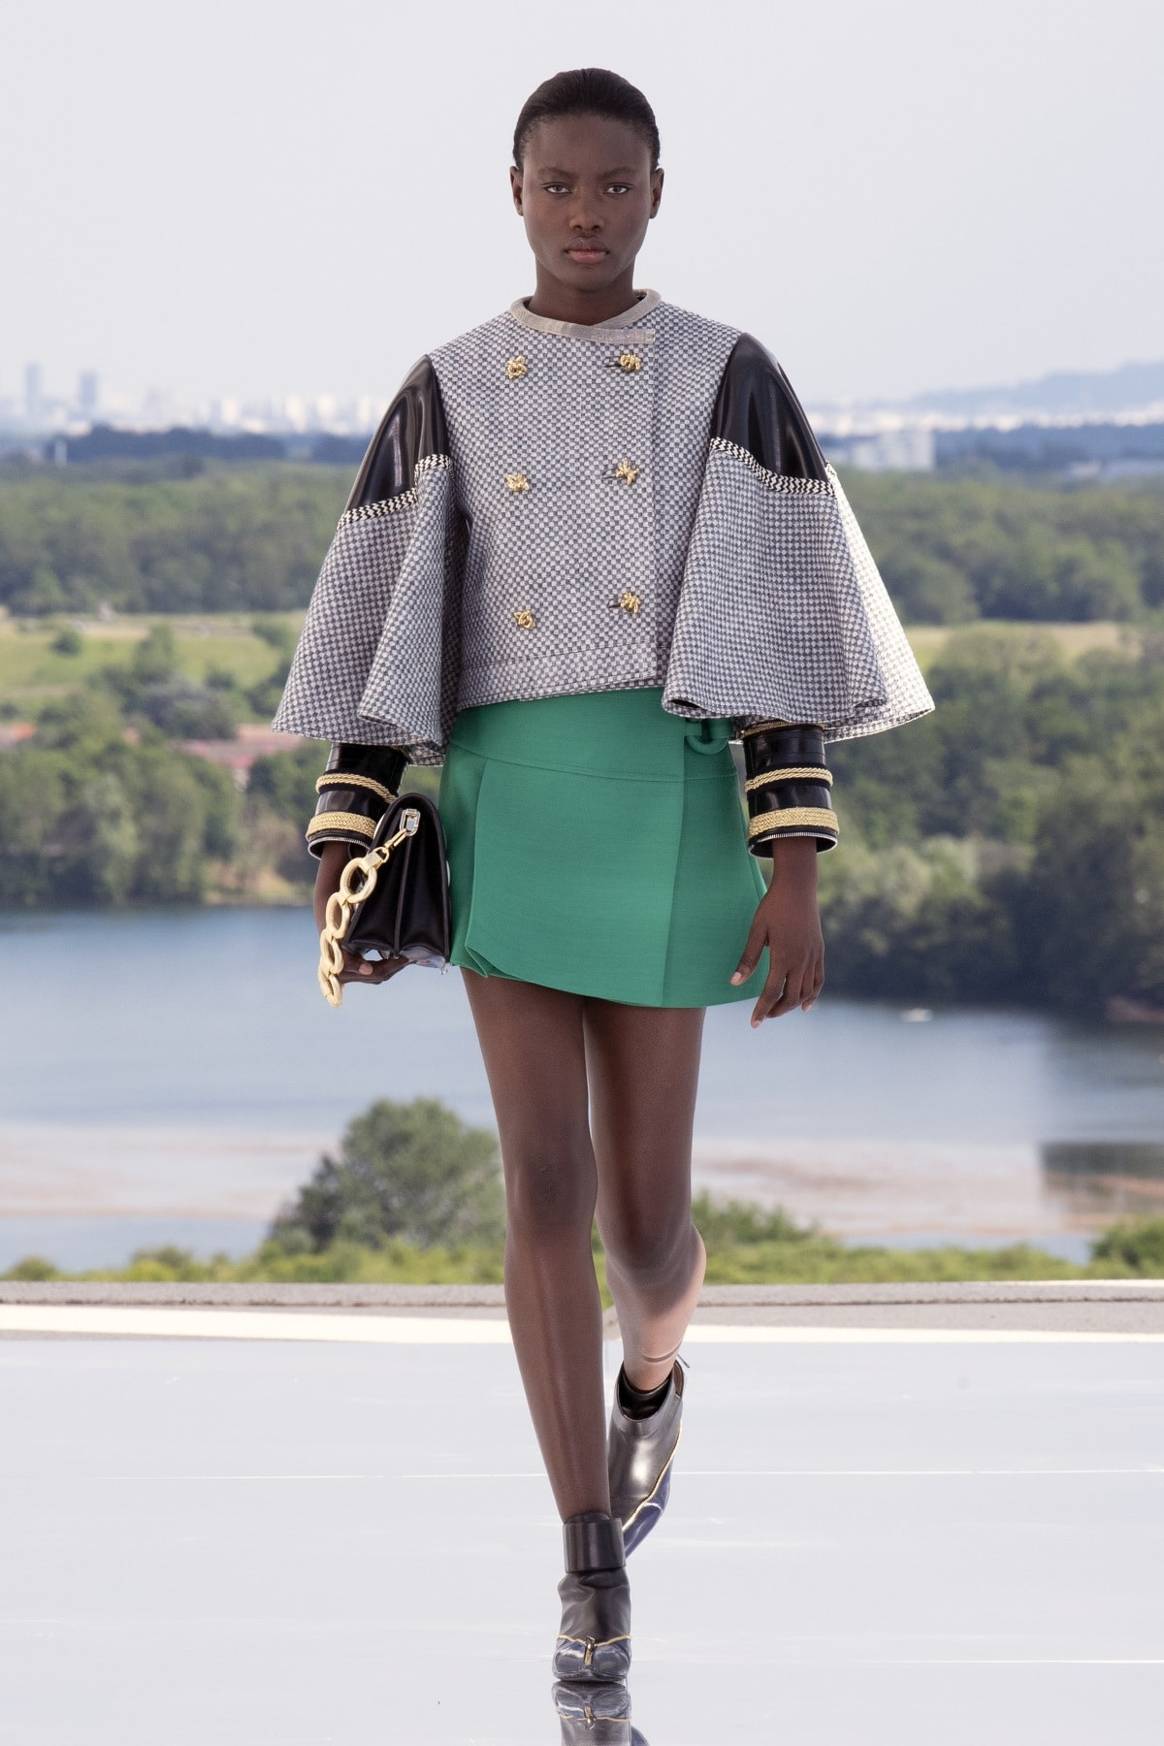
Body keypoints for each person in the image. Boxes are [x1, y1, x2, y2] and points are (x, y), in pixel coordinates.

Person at [271, 67, 935, 1684]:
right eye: (558, 184)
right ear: (514, 191)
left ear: (656, 192)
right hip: (510, 808)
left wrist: (794, 861)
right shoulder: (448, 384)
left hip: (673, 811)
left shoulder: (729, 375)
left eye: (615, 185)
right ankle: (585, 1560)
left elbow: (777, 630)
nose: (586, 213)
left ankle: (654, 1378)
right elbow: (391, 623)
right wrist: (350, 836)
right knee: (544, 1189)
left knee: (644, 1227)